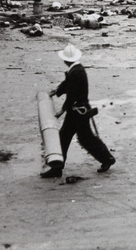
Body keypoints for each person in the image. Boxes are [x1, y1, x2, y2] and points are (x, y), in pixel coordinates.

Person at [40, 44, 116, 178]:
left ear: (66, 60)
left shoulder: (76, 72)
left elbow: (72, 95)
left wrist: (62, 111)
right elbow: (67, 85)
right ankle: (57, 168)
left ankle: (107, 159)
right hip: (77, 110)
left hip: (78, 112)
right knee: (66, 137)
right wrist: (57, 91)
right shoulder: (75, 70)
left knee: (83, 138)